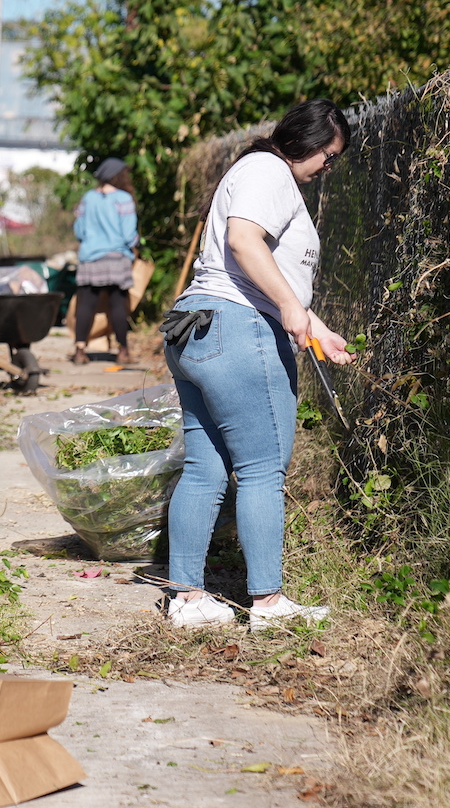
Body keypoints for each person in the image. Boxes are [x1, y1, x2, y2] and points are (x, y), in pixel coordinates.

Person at [161, 99, 355, 630]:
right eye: (329, 157)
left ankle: (188, 599)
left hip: (199, 328)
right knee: (262, 472)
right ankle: (268, 603)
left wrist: (313, 326)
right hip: (238, 332)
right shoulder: (270, 172)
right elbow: (245, 245)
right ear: (308, 143)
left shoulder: (251, 171)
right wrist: (293, 309)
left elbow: (252, 271)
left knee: (204, 470)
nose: (327, 168)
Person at [71, 157, 139, 366]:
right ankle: (123, 352)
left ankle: (80, 351)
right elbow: (129, 234)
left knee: (86, 306)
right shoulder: (123, 199)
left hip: (90, 257)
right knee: (118, 306)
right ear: (118, 176)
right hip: (116, 258)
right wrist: (136, 244)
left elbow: (79, 231)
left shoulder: (88, 198)